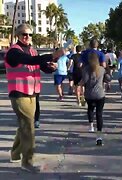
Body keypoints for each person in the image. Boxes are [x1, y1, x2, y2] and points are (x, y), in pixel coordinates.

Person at [5, 23, 64, 173]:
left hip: (33, 93)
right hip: (19, 93)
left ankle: (15, 153)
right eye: (24, 34)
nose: (27, 37)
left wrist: (51, 66)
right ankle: (27, 161)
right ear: (18, 35)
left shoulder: (33, 51)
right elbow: (30, 61)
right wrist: (52, 55)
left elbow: (42, 66)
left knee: (24, 125)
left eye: (30, 34)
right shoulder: (13, 52)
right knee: (29, 127)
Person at [80, 52, 106, 145]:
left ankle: (91, 125)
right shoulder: (102, 69)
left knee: (90, 109)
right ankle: (99, 136)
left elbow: (84, 81)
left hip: (89, 94)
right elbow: (105, 79)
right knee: (99, 114)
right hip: (100, 94)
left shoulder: (86, 70)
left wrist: (80, 87)